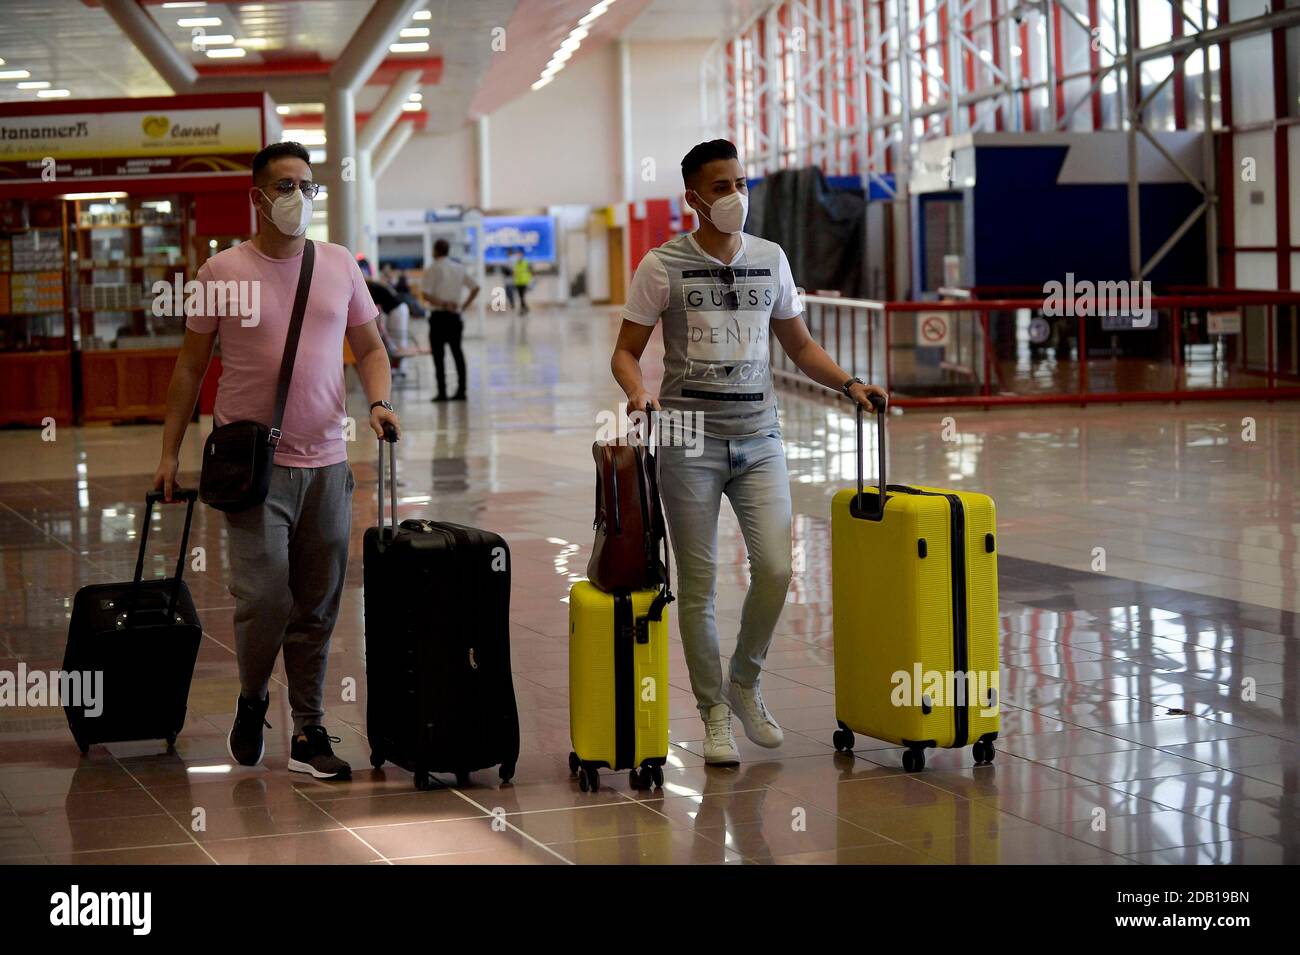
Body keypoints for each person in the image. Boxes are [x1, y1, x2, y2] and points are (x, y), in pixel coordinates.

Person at [609, 139, 887, 766]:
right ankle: (712, 713)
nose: (736, 195)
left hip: (760, 437)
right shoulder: (661, 265)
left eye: (741, 182)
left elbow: (799, 345)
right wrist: (637, 392)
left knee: (777, 569)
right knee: (700, 585)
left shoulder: (772, 259)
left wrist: (849, 384)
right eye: (721, 186)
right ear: (693, 199)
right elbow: (625, 350)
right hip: (688, 441)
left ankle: (744, 678)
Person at [152, 141, 401, 781]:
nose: (299, 197)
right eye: (285, 185)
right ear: (258, 196)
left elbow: (371, 347)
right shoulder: (221, 272)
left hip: (327, 465)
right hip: (252, 469)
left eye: (307, 186)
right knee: (263, 599)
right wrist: (168, 453)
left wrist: (378, 401)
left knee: (317, 604)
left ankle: (310, 729)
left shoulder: (340, 265)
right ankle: (253, 694)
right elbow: (189, 367)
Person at [419, 238, 478, 401]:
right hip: (455, 317)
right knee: (457, 353)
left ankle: (442, 392)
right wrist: (463, 306)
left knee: (439, 356)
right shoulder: (459, 268)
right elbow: (476, 287)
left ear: (435, 251)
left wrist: (444, 303)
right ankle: (462, 391)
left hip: (439, 317)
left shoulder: (432, 269)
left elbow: (426, 294)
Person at [511, 248, 532, 315]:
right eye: (517, 254)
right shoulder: (516, 263)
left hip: (524, 282)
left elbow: (529, 271)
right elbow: (515, 272)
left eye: (519, 254)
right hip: (518, 282)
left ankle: (522, 309)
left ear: (522, 255)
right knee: (520, 296)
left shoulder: (525, 262)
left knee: (522, 296)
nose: (518, 256)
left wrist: (529, 279)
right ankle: (525, 307)